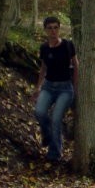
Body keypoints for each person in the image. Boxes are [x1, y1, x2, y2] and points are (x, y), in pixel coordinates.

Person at [33, 16, 78, 162]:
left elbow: (76, 65)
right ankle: (47, 135)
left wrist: (75, 87)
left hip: (65, 88)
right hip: (48, 86)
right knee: (39, 112)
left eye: (55, 27)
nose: (53, 31)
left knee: (56, 119)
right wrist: (38, 87)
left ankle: (54, 154)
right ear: (45, 30)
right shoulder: (44, 48)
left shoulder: (67, 45)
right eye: (50, 28)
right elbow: (43, 68)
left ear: (59, 28)